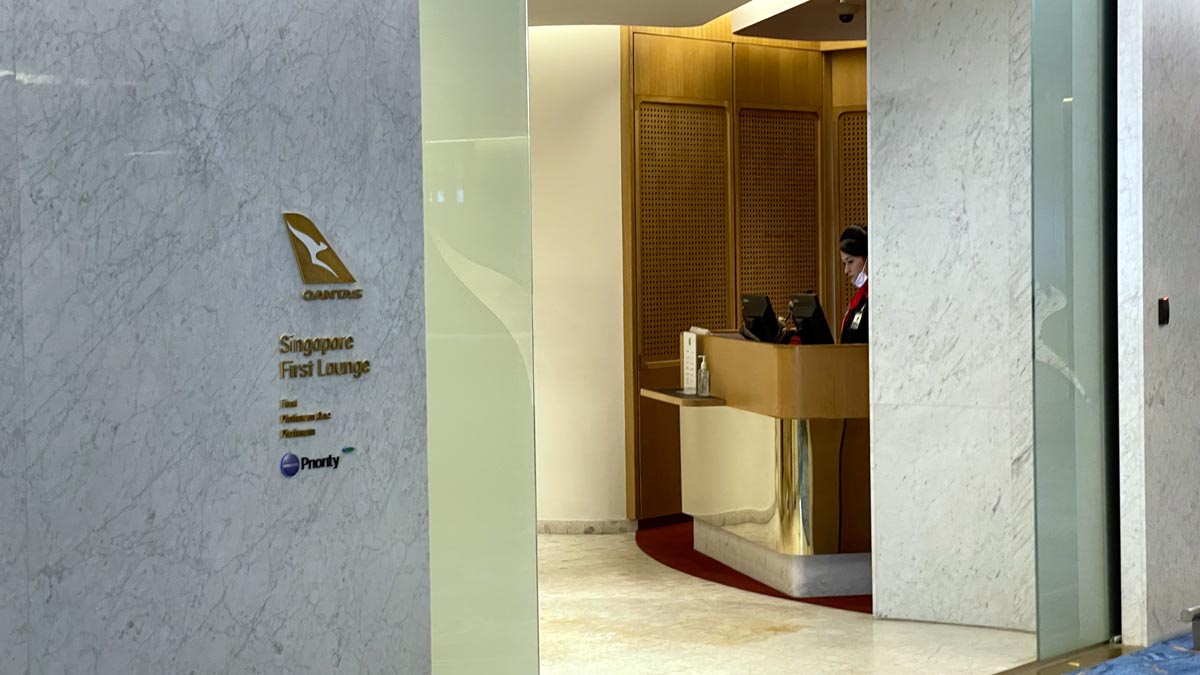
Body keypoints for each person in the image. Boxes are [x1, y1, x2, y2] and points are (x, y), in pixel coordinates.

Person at [838, 226, 868, 344]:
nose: (846, 270)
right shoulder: (858, 299)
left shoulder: (876, 298)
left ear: (867, 259)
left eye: (850, 262)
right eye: (844, 263)